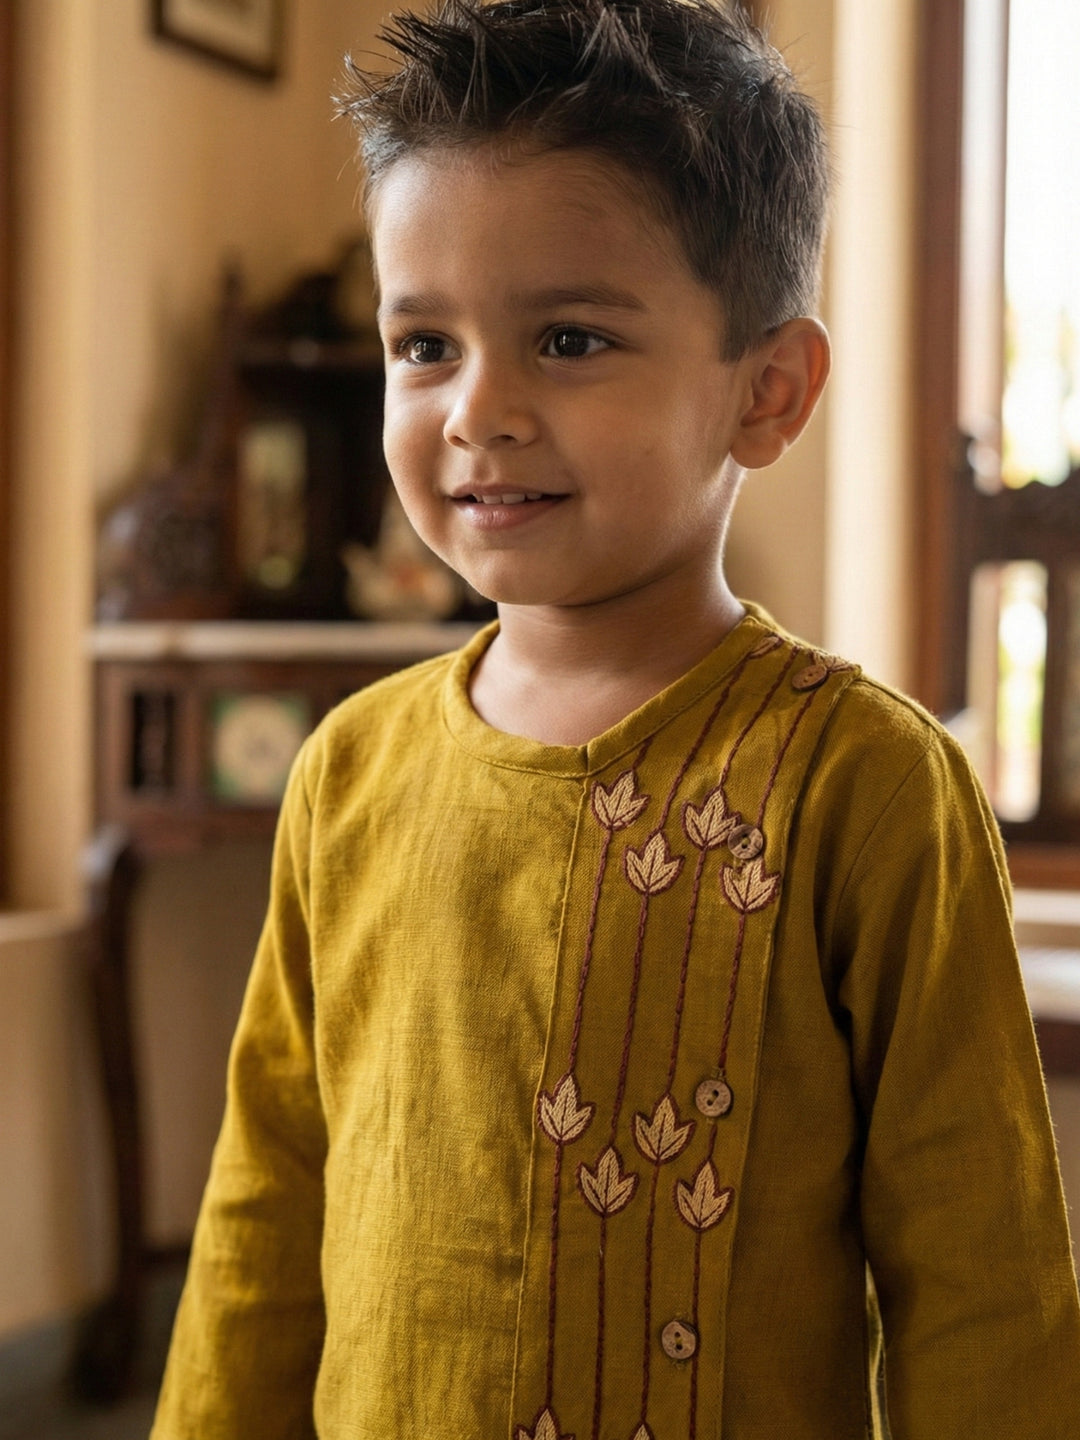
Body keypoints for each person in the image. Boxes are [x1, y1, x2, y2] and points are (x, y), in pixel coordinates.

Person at [150, 2, 1080, 1436]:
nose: (478, 410)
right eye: (423, 345)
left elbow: (985, 1289)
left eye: (569, 339)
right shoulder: (351, 771)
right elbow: (265, 1211)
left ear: (766, 394)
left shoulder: (867, 787)